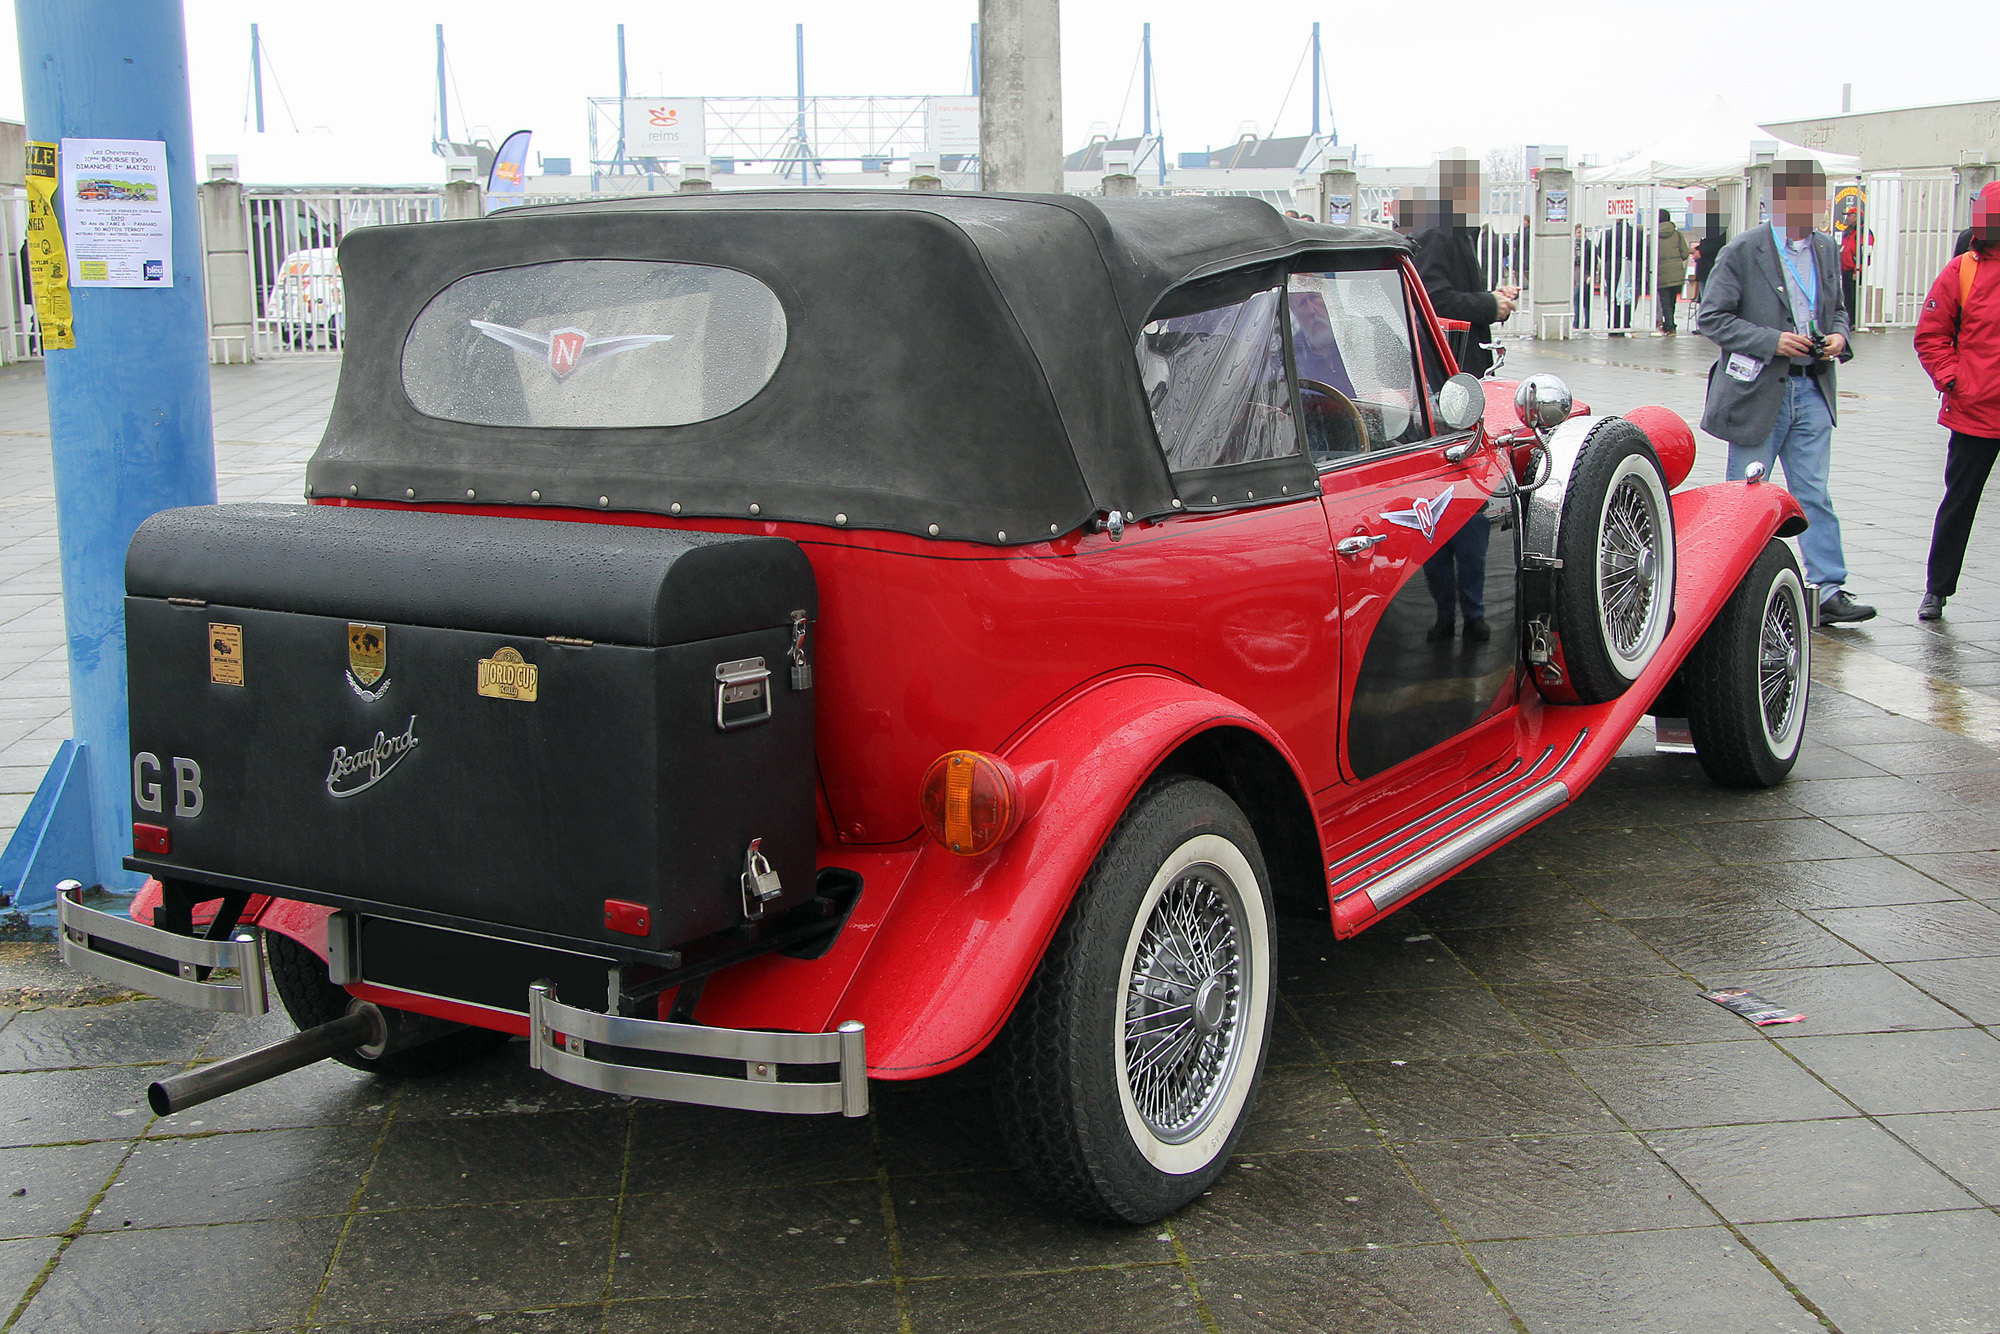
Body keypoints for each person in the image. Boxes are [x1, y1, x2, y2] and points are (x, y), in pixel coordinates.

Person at [1697, 158, 1876, 624]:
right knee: (1748, 490)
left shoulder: (1826, 249)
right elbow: (1711, 318)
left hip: (1812, 386)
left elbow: (1838, 311)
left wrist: (1839, 337)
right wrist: (1771, 340)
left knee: (1813, 491)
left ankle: (1829, 587)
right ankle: (1734, 587)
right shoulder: (1743, 250)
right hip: (1759, 390)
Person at [1913, 180, 2000, 621]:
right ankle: (1937, 588)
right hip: (1975, 410)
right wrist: (1953, 379)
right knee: (1960, 501)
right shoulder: (1964, 269)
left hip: (1975, 403)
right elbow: (1931, 334)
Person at [1411, 158, 1517, 377]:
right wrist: (1489, 305)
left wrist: (1495, 298)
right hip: (1447, 365)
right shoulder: (1436, 233)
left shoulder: (1455, 232)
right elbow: (1432, 300)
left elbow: (1456, 291)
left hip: (1457, 361)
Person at [1657, 208, 1691, 334]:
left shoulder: (1654, 236)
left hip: (1661, 273)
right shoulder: (1677, 234)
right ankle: (1671, 324)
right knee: (1672, 301)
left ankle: (1669, 325)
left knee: (1664, 301)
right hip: (1677, 273)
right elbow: (1685, 253)